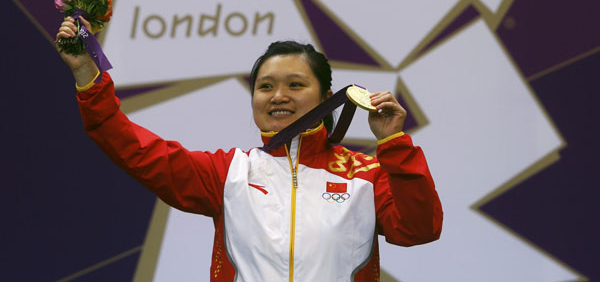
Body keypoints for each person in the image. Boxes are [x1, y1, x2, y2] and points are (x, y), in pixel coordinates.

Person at [56, 16, 443, 282]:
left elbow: (419, 229)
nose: (278, 96)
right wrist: (87, 77)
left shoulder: (365, 174)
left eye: (295, 85)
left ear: (327, 97)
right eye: (265, 86)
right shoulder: (228, 174)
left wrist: (394, 143)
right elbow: (134, 148)